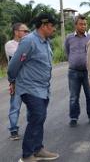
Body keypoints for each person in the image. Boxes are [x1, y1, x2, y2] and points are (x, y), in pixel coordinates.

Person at [7, 14, 59, 162]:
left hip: (43, 88)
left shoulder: (45, 41)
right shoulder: (29, 41)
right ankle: (27, 155)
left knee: (39, 118)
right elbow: (13, 65)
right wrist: (12, 81)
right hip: (29, 87)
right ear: (44, 26)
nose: (54, 29)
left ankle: (38, 149)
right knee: (38, 116)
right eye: (52, 26)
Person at [65, 15, 90, 127]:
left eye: (85, 24)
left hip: (88, 72)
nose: (83, 26)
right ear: (75, 25)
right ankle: (73, 117)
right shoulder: (69, 38)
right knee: (73, 97)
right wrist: (73, 61)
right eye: (81, 24)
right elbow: (67, 52)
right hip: (73, 72)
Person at [4, 23, 29, 140]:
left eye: (27, 31)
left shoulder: (27, 43)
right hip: (16, 80)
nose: (27, 33)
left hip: (29, 78)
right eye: (24, 31)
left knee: (32, 105)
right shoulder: (10, 44)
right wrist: (26, 54)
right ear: (16, 32)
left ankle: (32, 128)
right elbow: (19, 57)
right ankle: (13, 130)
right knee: (15, 106)